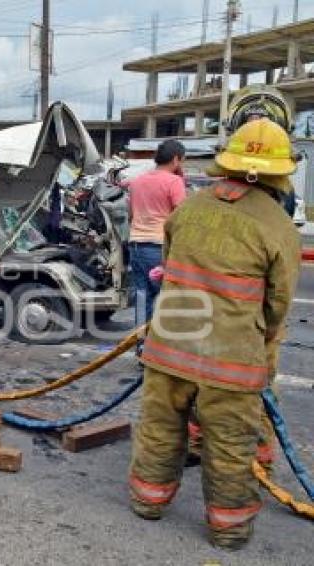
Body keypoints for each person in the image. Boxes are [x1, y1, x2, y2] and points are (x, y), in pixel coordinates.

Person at [128, 118, 300, 550]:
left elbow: (170, 270)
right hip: (231, 361)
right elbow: (277, 305)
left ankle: (148, 502)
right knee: (228, 444)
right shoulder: (277, 226)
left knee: (160, 428)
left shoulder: (190, 208)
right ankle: (229, 528)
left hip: (168, 348)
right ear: (279, 173)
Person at [124, 140, 187, 334]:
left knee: (142, 298)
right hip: (159, 247)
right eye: (182, 160)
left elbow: (131, 215)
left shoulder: (137, 181)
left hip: (136, 246)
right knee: (164, 299)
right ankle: (156, 349)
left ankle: (141, 344)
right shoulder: (174, 182)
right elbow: (181, 217)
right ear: (176, 159)